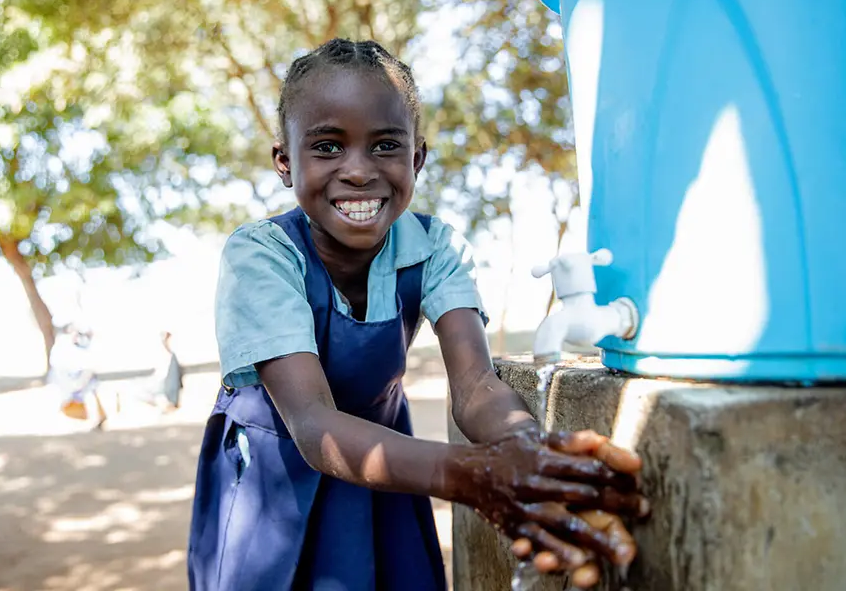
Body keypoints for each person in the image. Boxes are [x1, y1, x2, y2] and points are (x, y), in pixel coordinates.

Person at [188, 38, 649, 591]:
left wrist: (529, 456)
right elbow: (313, 425)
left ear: (417, 158)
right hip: (276, 479)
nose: (358, 171)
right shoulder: (261, 256)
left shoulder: (435, 247)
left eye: (385, 145)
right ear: (285, 163)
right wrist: (479, 478)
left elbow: (476, 385)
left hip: (390, 466)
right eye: (328, 147)